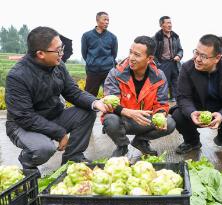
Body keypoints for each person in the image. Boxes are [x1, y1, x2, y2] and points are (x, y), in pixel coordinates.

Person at [5, 26, 108, 170]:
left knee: (88, 111)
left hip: (52, 116)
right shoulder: (17, 76)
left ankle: (72, 158)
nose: (62, 53)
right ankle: (28, 161)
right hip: (22, 125)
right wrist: (59, 133)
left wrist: (95, 102)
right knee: (44, 149)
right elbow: (25, 117)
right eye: (58, 50)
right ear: (40, 53)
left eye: (62, 48)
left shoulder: (58, 66)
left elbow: (73, 92)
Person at [171, 34, 222, 154]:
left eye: (204, 56)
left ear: (217, 58)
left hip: (220, 109)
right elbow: (183, 97)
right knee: (177, 114)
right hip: (196, 108)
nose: (197, 59)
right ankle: (192, 141)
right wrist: (191, 112)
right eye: (196, 52)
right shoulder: (187, 68)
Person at [102, 36, 176, 157]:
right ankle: (122, 146)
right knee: (110, 120)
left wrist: (160, 114)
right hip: (123, 119)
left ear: (149, 58)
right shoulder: (116, 73)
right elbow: (110, 102)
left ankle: (141, 141)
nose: (131, 58)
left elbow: (162, 103)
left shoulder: (159, 76)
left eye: (137, 55)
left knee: (170, 123)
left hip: (146, 120)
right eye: (130, 52)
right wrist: (129, 112)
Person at [81, 11, 118, 96]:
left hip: (108, 71)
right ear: (97, 20)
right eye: (104, 19)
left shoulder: (113, 37)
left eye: (108, 20)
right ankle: (90, 109)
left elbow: (114, 54)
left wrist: (107, 63)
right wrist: (91, 63)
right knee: (89, 96)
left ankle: (108, 110)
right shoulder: (86, 36)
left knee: (110, 97)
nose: (107, 22)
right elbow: (84, 53)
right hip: (92, 71)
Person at [153, 16, 183, 102]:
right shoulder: (156, 37)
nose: (170, 25)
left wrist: (179, 56)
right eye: (167, 23)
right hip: (163, 63)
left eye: (170, 23)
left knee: (176, 82)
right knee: (164, 83)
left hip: (174, 62)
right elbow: (152, 54)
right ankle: (163, 102)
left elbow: (180, 50)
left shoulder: (175, 37)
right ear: (162, 25)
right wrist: (158, 64)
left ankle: (175, 100)